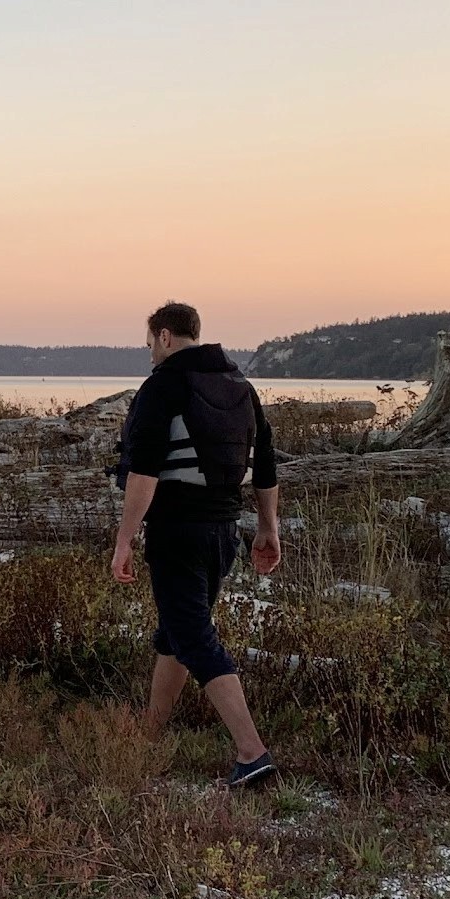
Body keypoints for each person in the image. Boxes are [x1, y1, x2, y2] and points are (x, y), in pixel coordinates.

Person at [109, 301, 283, 789]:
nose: (149, 355)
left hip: (177, 534)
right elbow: (265, 466)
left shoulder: (163, 385)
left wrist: (124, 541)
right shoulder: (240, 387)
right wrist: (268, 528)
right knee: (177, 632)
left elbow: (143, 470)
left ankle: (252, 754)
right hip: (224, 533)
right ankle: (150, 733)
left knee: (195, 639)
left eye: (149, 345)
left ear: (164, 337)